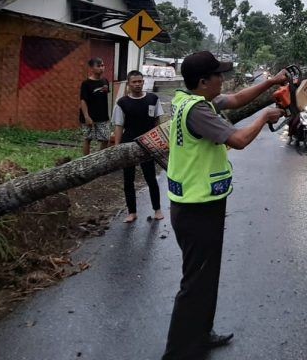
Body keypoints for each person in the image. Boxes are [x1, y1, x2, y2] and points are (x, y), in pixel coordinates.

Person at [162, 51, 286, 360]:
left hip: (200, 204)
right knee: (194, 283)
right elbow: (240, 140)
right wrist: (264, 118)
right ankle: (176, 353)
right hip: (196, 209)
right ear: (203, 82)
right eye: (219, 75)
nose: (223, 78)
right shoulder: (199, 112)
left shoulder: (193, 100)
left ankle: (202, 334)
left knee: (207, 277)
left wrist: (272, 82)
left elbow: (236, 99)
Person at [112, 70, 164, 224]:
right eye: (134, 82)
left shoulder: (153, 99)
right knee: (128, 179)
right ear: (128, 84)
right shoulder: (122, 103)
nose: (137, 84)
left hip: (148, 143)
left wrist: (159, 141)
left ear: (143, 82)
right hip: (129, 143)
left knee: (150, 177)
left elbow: (157, 122)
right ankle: (132, 212)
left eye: (139, 81)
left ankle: (157, 209)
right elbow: (119, 126)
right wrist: (117, 147)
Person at [79, 57, 110, 156]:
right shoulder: (86, 83)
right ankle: (86, 161)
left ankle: (98, 158)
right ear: (91, 68)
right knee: (88, 138)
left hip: (102, 116)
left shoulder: (105, 81)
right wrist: (86, 117)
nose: (102, 68)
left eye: (103, 65)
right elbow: (83, 100)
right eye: (99, 66)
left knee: (105, 138)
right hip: (89, 116)